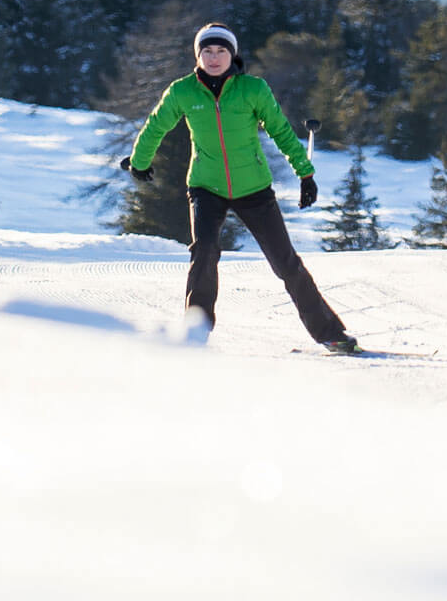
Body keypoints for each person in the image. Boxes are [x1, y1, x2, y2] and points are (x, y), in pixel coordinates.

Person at [121, 22, 358, 353]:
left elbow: (280, 131)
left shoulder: (253, 89)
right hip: (206, 187)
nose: (214, 57)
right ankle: (196, 330)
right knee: (203, 253)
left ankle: (330, 333)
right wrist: (139, 161)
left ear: (232, 54)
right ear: (198, 55)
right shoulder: (183, 91)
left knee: (285, 263)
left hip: (254, 189)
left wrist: (305, 174)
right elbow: (156, 125)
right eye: (207, 51)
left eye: (221, 51)